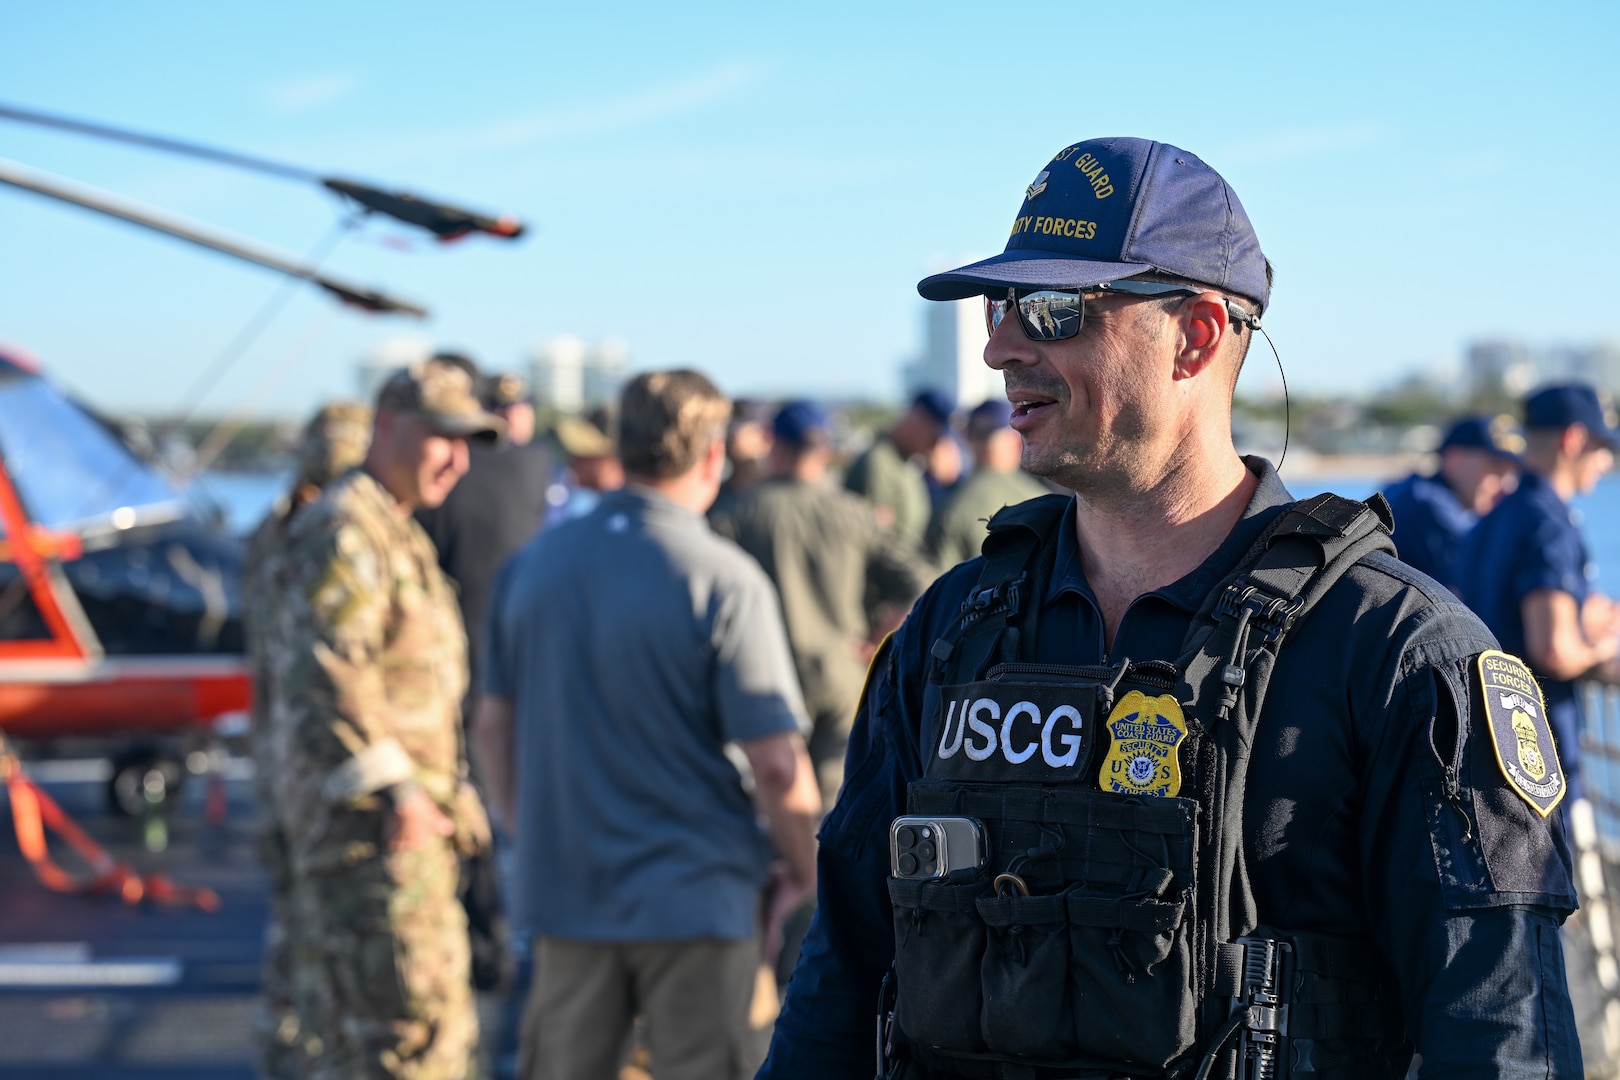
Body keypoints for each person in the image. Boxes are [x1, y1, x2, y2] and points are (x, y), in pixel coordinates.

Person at [760, 137, 1578, 1079]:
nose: (999, 348)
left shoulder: (1396, 655)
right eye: (1000, 306)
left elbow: (1501, 1034)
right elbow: (840, 978)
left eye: (1054, 309)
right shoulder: (952, 633)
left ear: (1194, 334)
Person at [473, 370, 821, 1080]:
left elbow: (491, 730)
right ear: (713, 456)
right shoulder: (724, 578)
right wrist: (810, 874)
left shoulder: (532, 568)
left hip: (568, 898)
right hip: (699, 903)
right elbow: (778, 766)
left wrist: (533, 836)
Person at [267, 359, 503, 1080]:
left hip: (405, 835)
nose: (459, 460)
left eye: (469, 442)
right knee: (408, 1042)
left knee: (393, 1038)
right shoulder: (348, 530)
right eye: (442, 437)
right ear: (389, 428)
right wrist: (399, 789)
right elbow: (324, 672)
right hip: (377, 841)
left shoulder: (391, 528)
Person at [711, 400, 934, 808]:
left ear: (775, 447)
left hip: (763, 677)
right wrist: (879, 636)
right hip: (840, 672)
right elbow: (922, 579)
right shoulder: (854, 514)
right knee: (835, 811)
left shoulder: (736, 516)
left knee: (766, 804)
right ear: (823, 452)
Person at [243, 400, 371, 1079]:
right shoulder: (331, 535)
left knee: (294, 938)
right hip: (318, 771)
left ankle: (290, 1052)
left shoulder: (271, 532)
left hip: (277, 761)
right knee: (332, 949)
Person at [413, 368, 549, 992]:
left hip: (458, 660)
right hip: (526, 657)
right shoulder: (536, 468)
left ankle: (486, 941)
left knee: (472, 803)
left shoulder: (447, 487)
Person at [1458, 383, 1620, 803]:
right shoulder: (1549, 524)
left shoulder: (1496, 514)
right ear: (1574, 439)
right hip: (1541, 768)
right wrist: (1603, 652)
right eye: (1603, 447)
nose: (1606, 462)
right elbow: (1554, 649)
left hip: (1484, 751)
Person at [1380, 414, 1522, 591]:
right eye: (1496, 470)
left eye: (1512, 473)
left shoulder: (1410, 490)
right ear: (1454, 459)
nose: (1508, 486)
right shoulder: (1429, 508)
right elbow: (1469, 596)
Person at [925, 399, 1050, 570]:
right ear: (1016, 441)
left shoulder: (950, 507)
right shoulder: (1045, 501)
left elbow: (936, 584)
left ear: (967, 437)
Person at [845, 389, 951, 545]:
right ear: (916, 422)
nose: (934, 446)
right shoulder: (879, 463)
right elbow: (875, 541)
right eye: (934, 438)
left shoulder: (904, 462)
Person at [709, 398, 776, 520]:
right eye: (727, 429)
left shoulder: (777, 495)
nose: (728, 437)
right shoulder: (711, 493)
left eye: (735, 430)